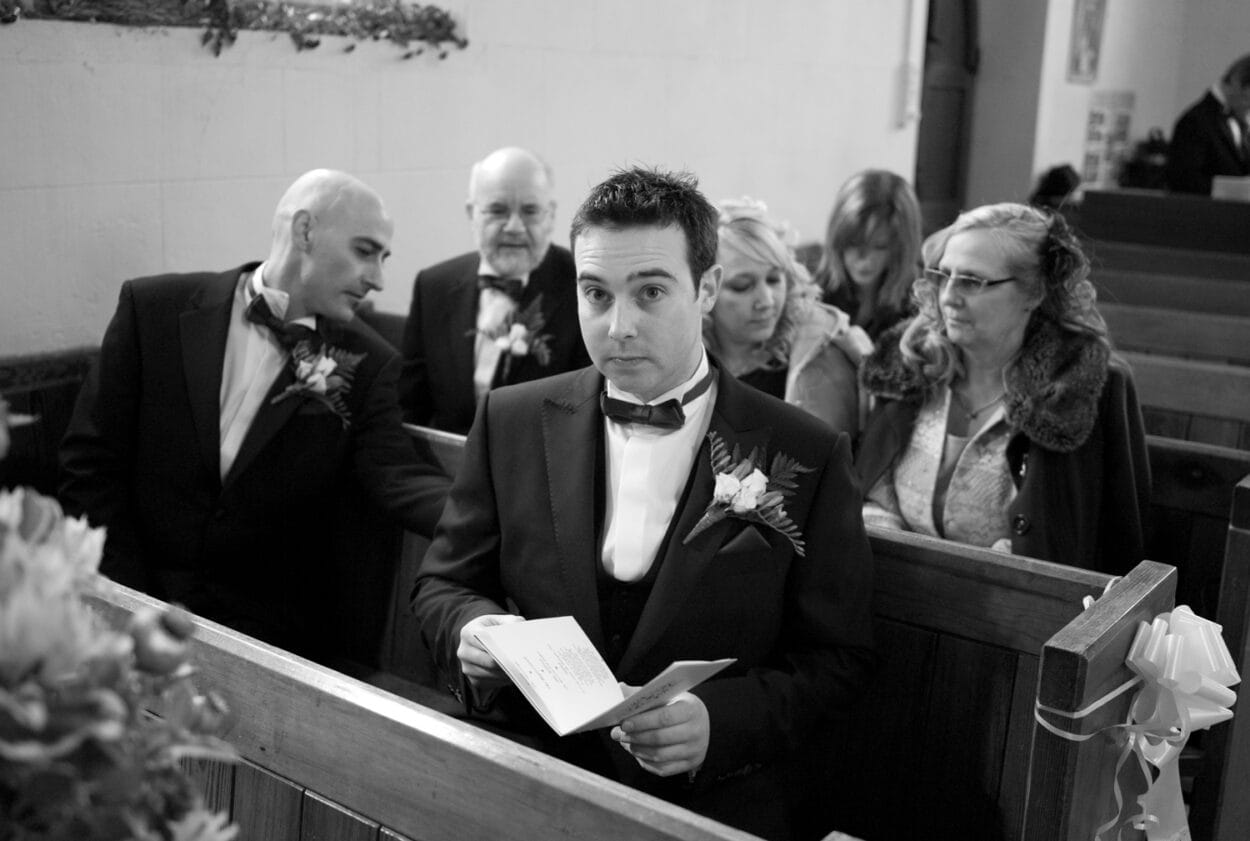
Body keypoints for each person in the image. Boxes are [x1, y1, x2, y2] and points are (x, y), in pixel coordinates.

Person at [412, 167, 874, 840]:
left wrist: (720, 721)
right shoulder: (512, 419)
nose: (618, 326)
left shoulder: (805, 450)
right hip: (527, 774)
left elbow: (839, 659)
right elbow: (443, 582)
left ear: (705, 288)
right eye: (595, 293)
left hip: (705, 801)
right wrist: (472, 629)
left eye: (651, 291)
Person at [59, 169, 451, 656]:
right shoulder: (154, 309)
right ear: (305, 231)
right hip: (128, 597)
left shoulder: (368, 362)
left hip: (264, 633)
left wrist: (495, 518)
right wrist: (125, 595)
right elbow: (90, 462)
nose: (377, 279)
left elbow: (395, 474)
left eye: (382, 259)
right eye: (365, 251)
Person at [855, 202, 1151, 574]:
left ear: (1034, 292)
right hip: (892, 585)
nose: (948, 297)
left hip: (1020, 600)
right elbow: (870, 497)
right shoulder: (910, 367)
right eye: (943, 275)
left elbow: (1115, 540)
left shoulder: (1078, 386)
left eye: (972, 281)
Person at [398, 147, 590, 433]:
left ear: (550, 216)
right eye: (498, 210)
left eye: (530, 211)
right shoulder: (433, 286)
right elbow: (409, 406)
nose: (514, 227)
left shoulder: (583, 286)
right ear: (471, 213)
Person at [705, 198, 871, 435]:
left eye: (774, 280)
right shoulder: (685, 362)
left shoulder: (817, 357)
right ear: (704, 291)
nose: (766, 301)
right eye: (742, 286)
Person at [813, 169, 922, 342]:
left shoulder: (919, 301)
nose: (865, 259)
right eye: (854, 243)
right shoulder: (809, 287)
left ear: (900, 248)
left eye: (880, 247)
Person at [1166, 53, 1250, 195]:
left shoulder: (1240, 121)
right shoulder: (1195, 121)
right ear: (1235, 84)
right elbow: (1183, 181)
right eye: (1246, 98)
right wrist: (1231, 190)